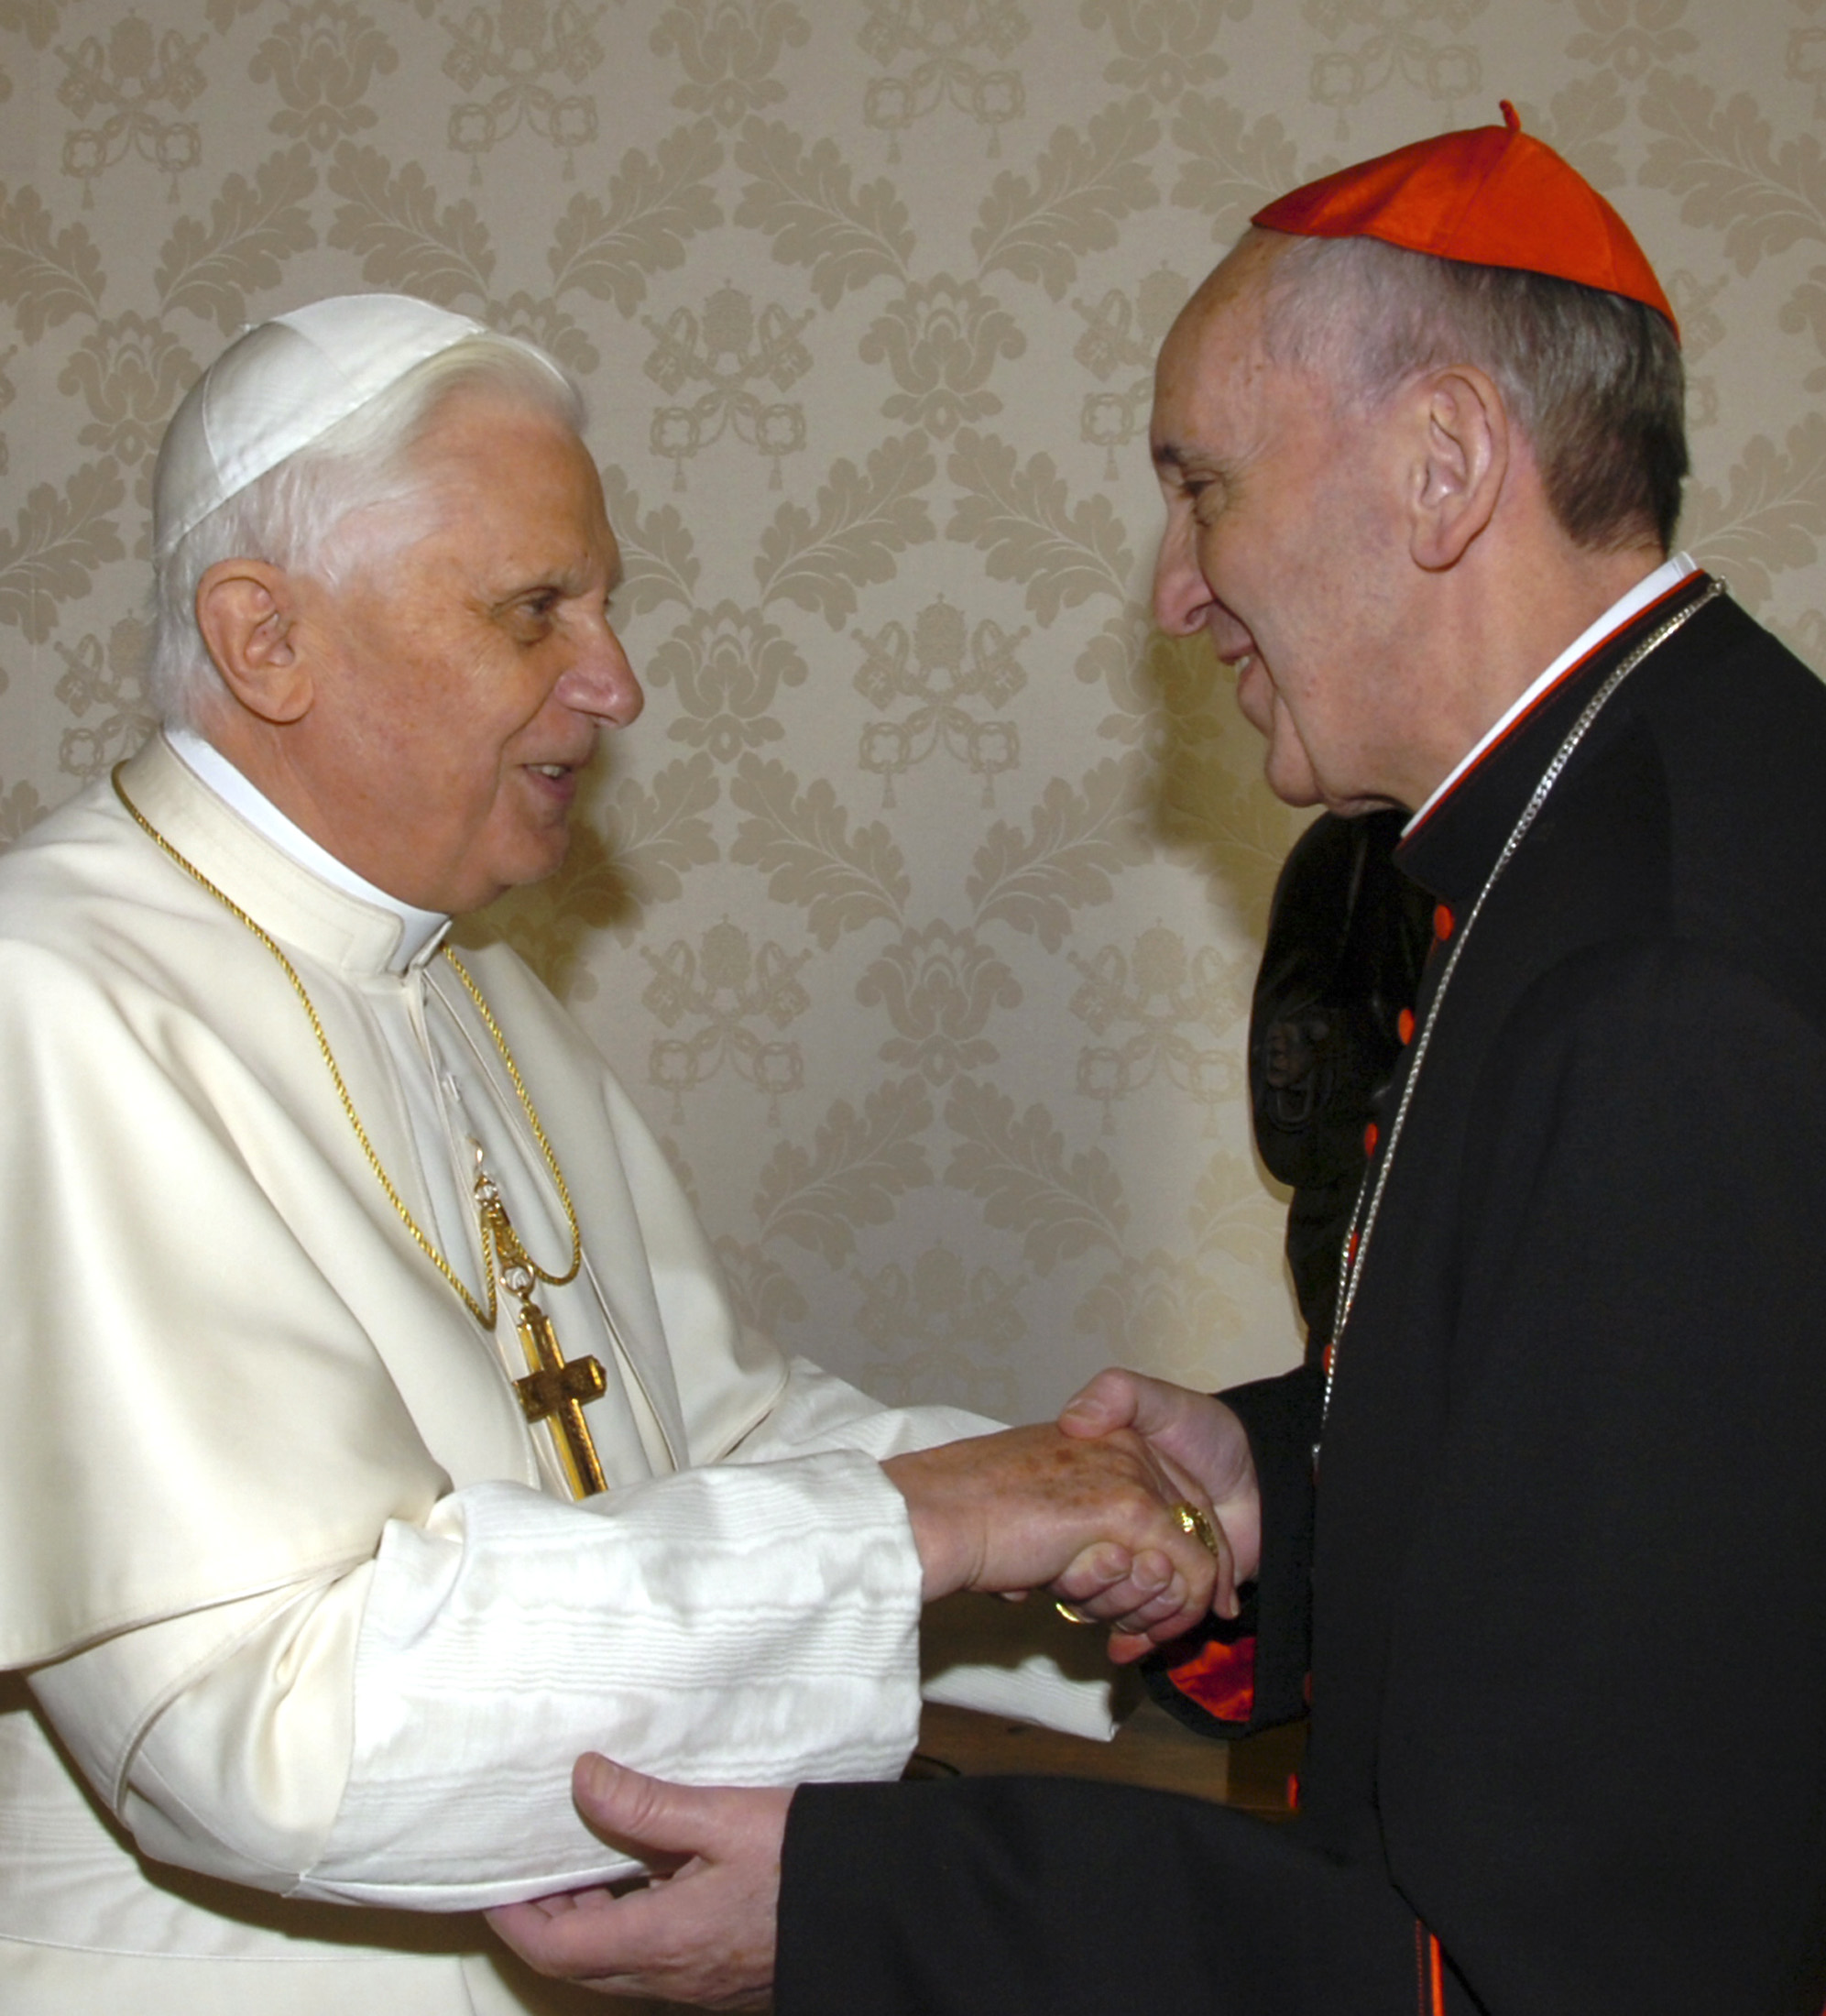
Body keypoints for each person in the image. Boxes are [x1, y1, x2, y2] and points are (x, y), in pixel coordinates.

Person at [487, 105, 1826, 2014]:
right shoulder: (1625, 816)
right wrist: (1274, 1471)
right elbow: (1627, 1482)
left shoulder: (1661, 984)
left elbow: (1552, 1956)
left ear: (1443, 464)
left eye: (1201, 485)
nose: (1171, 589)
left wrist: (878, 1898)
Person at [0, 295, 1235, 2015]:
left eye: (604, 603)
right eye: (534, 611)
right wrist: (913, 1531)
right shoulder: (50, 1001)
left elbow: (709, 1444)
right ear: (265, 637)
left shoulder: (468, 981)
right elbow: (267, 1723)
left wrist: (1104, 1523)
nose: (616, 680)